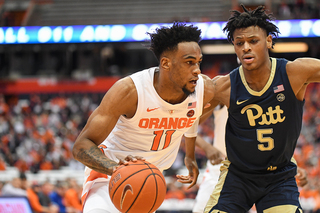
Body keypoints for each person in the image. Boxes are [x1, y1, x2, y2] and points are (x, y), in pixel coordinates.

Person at [72, 22, 216, 213]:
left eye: (199, 62)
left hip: (149, 180)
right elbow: (81, 146)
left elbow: (192, 116)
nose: (197, 69)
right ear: (166, 63)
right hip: (108, 176)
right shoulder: (129, 91)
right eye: (189, 62)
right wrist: (116, 169)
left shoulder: (204, 90)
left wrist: (190, 155)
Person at [202, 4, 320, 213]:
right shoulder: (224, 86)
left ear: (268, 41)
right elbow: (187, 120)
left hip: (279, 176)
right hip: (238, 177)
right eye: (240, 43)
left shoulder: (294, 72)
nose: (246, 47)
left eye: (253, 41)